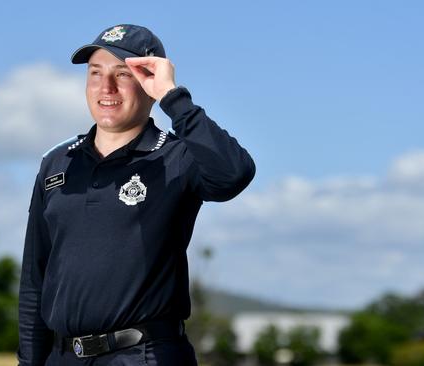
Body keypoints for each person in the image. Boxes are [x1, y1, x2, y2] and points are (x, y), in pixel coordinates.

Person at [17, 24, 255, 366]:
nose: (106, 87)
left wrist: (173, 97)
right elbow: (33, 281)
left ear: (148, 81)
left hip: (144, 356)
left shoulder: (177, 157)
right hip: (63, 357)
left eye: (122, 74)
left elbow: (235, 174)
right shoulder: (57, 163)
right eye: (95, 73)